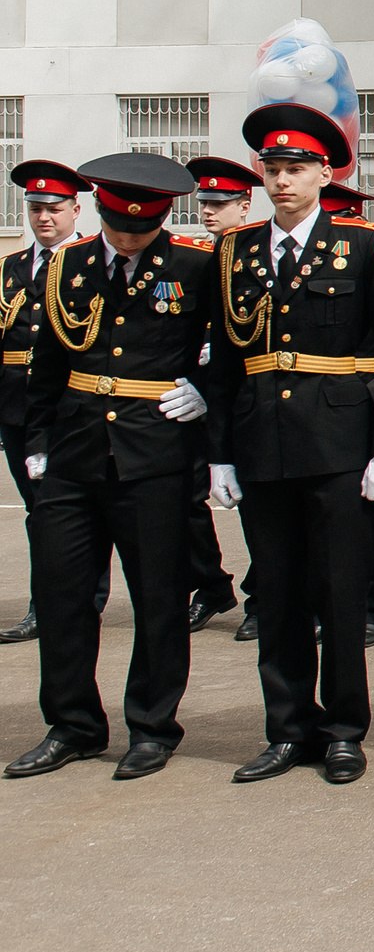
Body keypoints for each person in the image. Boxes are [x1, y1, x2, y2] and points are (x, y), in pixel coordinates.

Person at [201, 105, 374, 785]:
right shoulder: (234, 250)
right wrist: (220, 452)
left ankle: (345, 729)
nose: (283, 180)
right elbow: (223, 362)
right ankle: (288, 728)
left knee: (339, 591)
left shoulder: (362, 242)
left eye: (296, 168)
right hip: (263, 440)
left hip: (339, 441)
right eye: (273, 169)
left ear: (326, 171)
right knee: (280, 594)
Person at [3, 154, 218, 782]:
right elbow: (46, 358)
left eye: (140, 231)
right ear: (99, 213)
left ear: (159, 221)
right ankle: (72, 725)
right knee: (63, 594)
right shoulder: (69, 264)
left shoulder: (194, 266)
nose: (127, 241)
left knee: (157, 597)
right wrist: (36, 441)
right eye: (118, 229)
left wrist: (203, 392)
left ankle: (153, 726)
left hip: (155, 453)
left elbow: (228, 347)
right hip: (73, 452)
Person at [1, 163, 92, 647]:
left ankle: (80, 601)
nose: (43, 218)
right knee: (37, 509)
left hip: (70, 405)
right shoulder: (12, 268)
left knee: (74, 507)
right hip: (17, 404)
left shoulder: (88, 261)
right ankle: (46, 602)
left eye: (54, 209)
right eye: (35, 209)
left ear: (75, 210)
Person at [177, 157, 259, 634]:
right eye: (204, 203)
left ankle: (262, 597)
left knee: (255, 505)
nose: (209, 212)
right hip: (189, 400)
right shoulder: (193, 257)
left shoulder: (253, 257)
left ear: (244, 206)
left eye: (220, 204)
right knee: (185, 502)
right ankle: (209, 584)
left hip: (240, 398)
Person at [319, 179, 374, 647]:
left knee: (369, 517)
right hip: (317, 401)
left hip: (363, 390)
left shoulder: (368, 248)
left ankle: (372, 606)